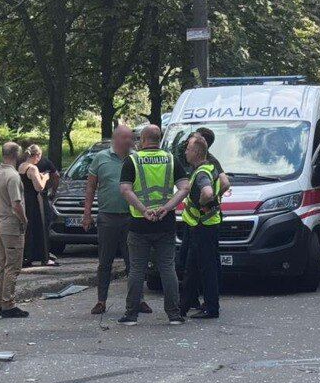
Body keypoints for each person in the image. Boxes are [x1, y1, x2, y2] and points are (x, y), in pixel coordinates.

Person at [119, 124, 190, 324]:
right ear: (159, 139)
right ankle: (174, 315)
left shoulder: (133, 160)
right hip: (164, 222)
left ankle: (131, 315)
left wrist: (143, 209)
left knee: (136, 269)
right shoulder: (171, 159)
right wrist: (167, 208)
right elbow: (184, 188)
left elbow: (125, 190)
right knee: (167, 268)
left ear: (142, 140)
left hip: (140, 222)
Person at [82, 124, 150, 316]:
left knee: (134, 262)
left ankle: (139, 300)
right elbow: (90, 188)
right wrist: (87, 213)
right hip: (107, 217)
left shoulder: (136, 158)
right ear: (116, 138)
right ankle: (101, 301)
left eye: (132, 138)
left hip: (131, 217)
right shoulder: (100, 158)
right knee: (105, 262)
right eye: (126, 138)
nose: (130, 141)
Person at [179, 134, 223, 319]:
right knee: (202, 267)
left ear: (196, 152)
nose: (185, 152)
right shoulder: (211, 167)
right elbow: (226, 183)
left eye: (188, 149)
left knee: (199, 268)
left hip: (201, 227)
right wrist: (212, 204)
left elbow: (207, 191)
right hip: (209, 225)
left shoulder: (201, 173)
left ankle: (209, 308)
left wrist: (204, 203)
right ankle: (186, 306)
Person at [0, 142, 29, 318]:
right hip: (11, 226)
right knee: (13, 267)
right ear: (16, 155)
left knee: (3, 266)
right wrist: (24, 220)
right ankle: (8, 303)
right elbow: (16, 204)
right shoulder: (13, 176)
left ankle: (0, 302)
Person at [18, 144, 56, 267]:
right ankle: (44, 257)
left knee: (29, 229)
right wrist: (45, 177)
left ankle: (27, 256)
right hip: (35, 201)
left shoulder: (21, 167)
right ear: (37, 156)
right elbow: (39, 187)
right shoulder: (33, 168)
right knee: (41, 228)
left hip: (25, 199)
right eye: (39, 155)